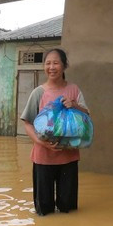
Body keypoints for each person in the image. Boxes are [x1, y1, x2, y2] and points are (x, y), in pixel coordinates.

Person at [20, 48, 89, 216]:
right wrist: (41, 142)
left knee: (69, 209)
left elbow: (86, 117)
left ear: (64, 66)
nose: (51, 67)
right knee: (44, 211)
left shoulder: (74, 90)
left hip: (69, 157)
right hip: (43, 157)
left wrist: (75, 105)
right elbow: (27, 123)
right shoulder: (38, 93)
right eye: (48, 63)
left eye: (56, 63)